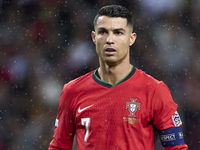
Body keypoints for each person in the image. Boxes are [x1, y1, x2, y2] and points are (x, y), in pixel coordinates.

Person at [48, 5, 188, 150]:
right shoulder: (72, 91)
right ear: (94, 37)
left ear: (131, 39)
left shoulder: (155, 91)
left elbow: (177, 148)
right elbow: (59, 146)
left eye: (118, 33)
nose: (109, 40)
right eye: (103, 32)